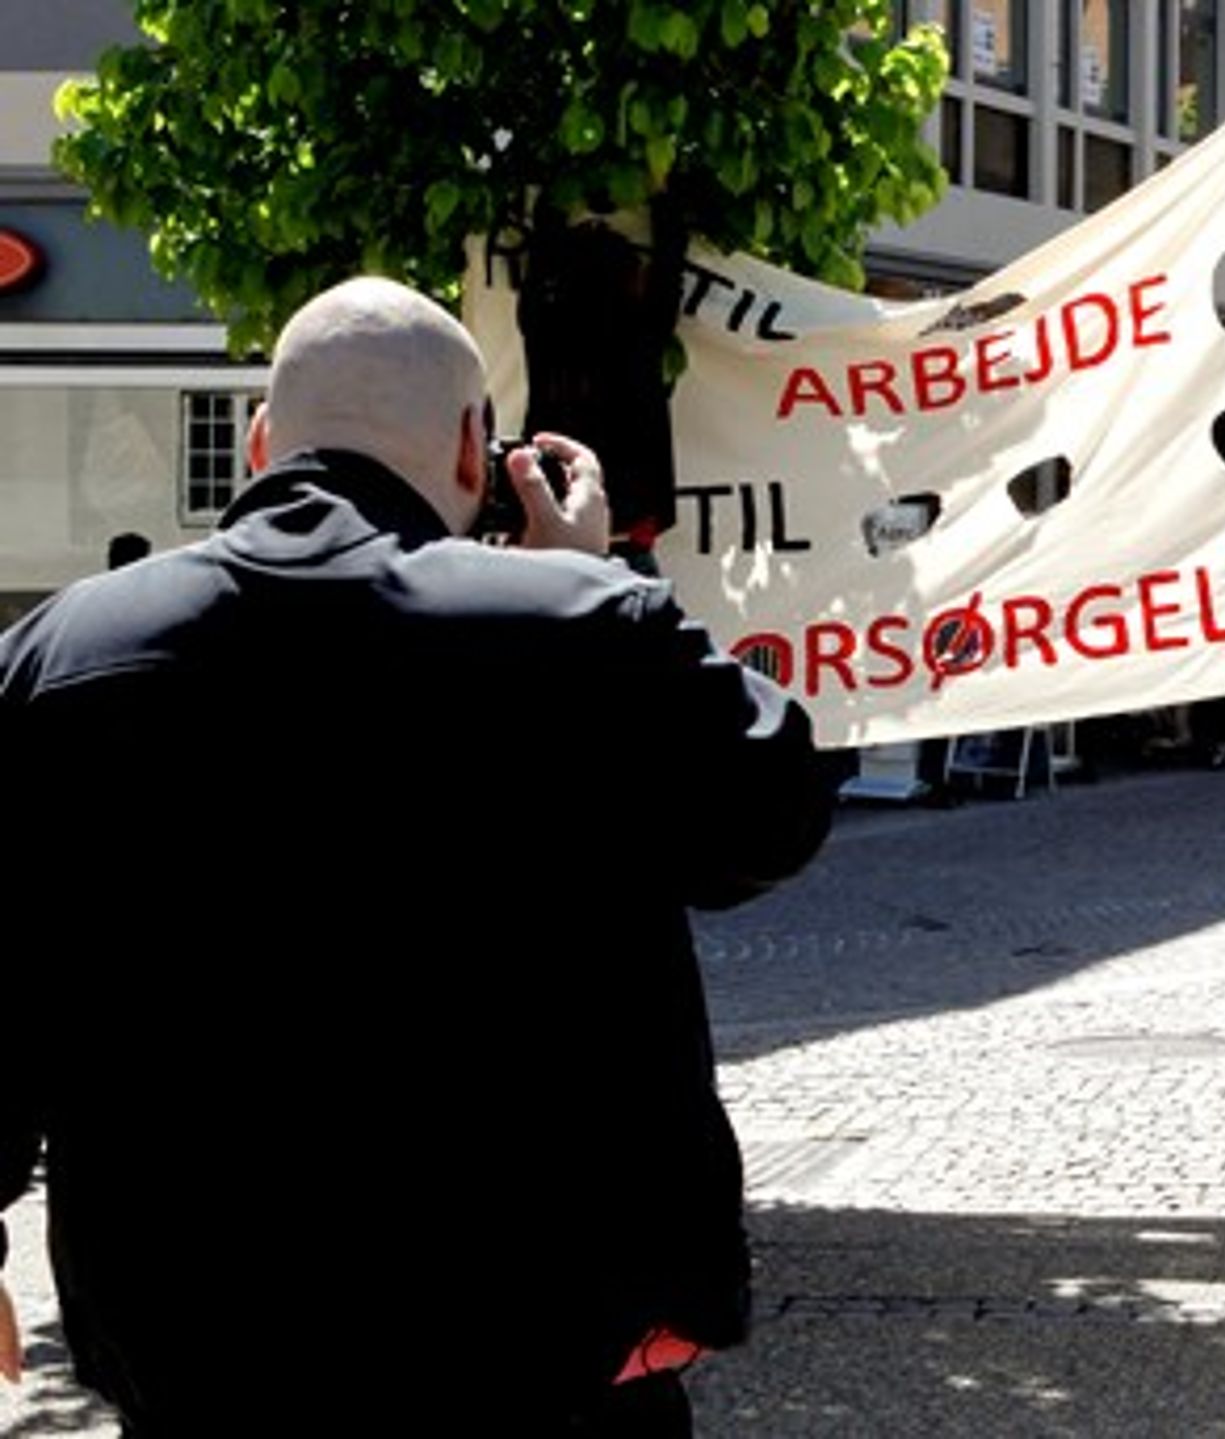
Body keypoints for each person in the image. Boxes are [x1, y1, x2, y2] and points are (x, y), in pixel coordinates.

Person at [0, 277, 834, 1433]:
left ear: (257, 441)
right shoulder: (578, 628)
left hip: (194, 1338)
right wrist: (599, 579)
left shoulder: (61, 653)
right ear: (469, 447)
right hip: (534, 1336)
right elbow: (772, 811)